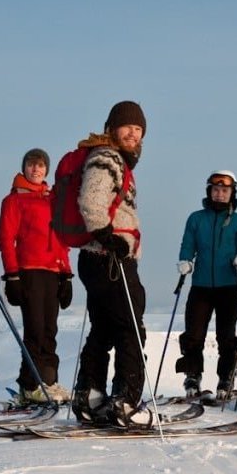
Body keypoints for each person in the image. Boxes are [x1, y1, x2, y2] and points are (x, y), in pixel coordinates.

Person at [68, 100, 152, 429]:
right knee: (131, 327)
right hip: (111, 258)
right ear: (111, 129)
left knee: (103, 329)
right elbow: (92, 198)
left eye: (138, 129)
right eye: (127, 127)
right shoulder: (108, 157)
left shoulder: (106, 156)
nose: (133, 133)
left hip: (96, 259)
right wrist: (107, 236)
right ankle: (127, 401)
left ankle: (90, 396)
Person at [0, 148, 73, 405]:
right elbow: (6, 239)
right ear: (24, 167)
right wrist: (12, 275)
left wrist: (67, 275)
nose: (36, 170)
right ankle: (31, 384)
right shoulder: (14, 200)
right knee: (36, 330)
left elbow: (62, 239)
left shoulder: (53, 200)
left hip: (52, 271)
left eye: (41, 166)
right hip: (29, 271)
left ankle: (48, 381)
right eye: (31, 165)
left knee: (50, 329)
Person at [175, 170, 237, 399]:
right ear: (209, 191)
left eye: (225, 190)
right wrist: (185, 260)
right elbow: (187, 243)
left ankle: (225, 379)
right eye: (216, 190)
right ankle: (192, 375)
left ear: (231, 194)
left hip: (229, 285)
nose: (220, 194)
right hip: (201, 286)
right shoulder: (196, 219)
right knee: (194, 334)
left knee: (226, 336)